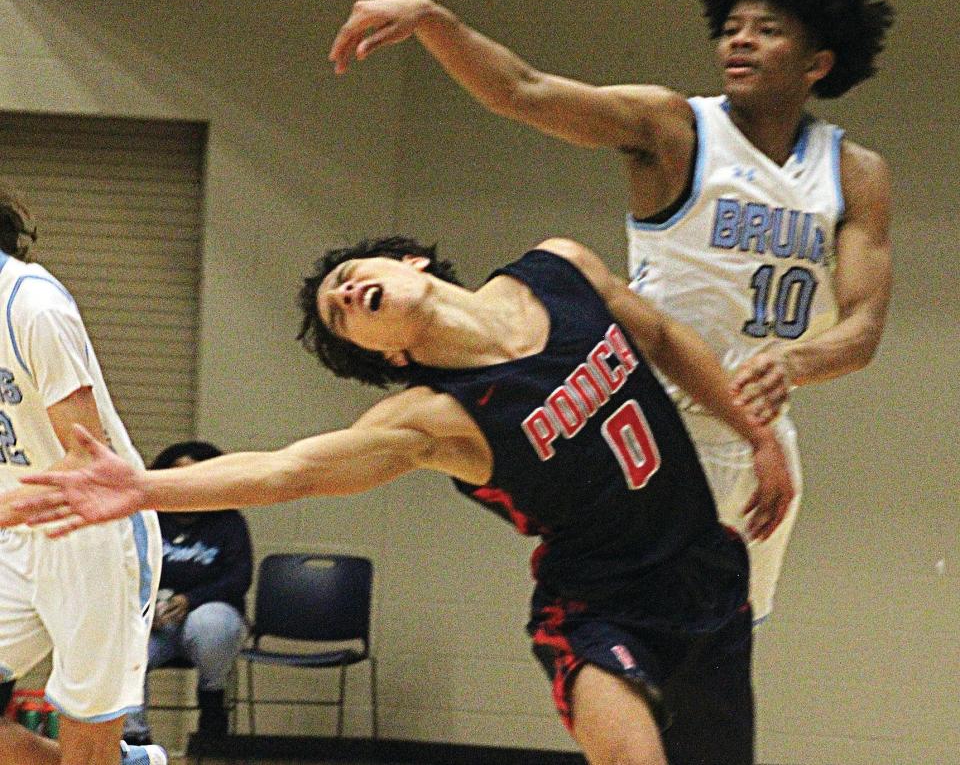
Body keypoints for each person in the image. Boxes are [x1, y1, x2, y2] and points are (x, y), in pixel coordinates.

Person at [9, 234, 793, 764]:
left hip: (704, 574)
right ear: (388, 354)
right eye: (339, 314)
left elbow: (657, 333)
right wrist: (143, 485)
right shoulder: (435, 417)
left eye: (351, 279)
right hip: (594, 608)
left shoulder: (559, 267)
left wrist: (754, 431)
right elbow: (292, 470)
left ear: (412, 259)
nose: (347, 293)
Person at [326, 0, 894, 625]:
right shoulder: (673, 128)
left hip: (757, 434)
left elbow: (864, 329)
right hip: (644, 412)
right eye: (732, 27)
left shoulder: (854, 172)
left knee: (720, 653)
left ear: (819, 60)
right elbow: (522, 91)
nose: (738, 42)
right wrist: (434, 21)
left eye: (767, 30)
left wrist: (796, 360)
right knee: (633, 642)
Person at [0, 185, 167, 765]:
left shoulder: (32, 305)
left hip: (94, 536)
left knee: (87, 744)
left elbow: (85, 462)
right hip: (17, 538)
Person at [122, 441, 251, 746]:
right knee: (125, 643)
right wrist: (144, 607)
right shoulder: (146, 519)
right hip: (156, 621)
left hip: (208, 616)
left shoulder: (229, 522)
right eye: (176, 474)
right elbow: (123, 571)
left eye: (195, 475)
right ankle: (134, 736)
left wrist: (190, 600)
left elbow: (239, 578)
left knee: (211, 623)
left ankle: (212, 694)